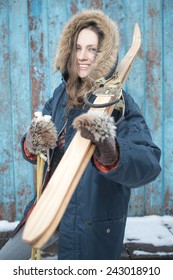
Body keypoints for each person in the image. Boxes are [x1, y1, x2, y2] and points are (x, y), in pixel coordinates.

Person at [0, 9, 161, 260]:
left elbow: (149, 164)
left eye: (92, 49)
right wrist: (32, 142)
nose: (83, 57)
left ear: (104, 54)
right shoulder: (60, 96)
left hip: (89, 222)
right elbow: (36, 147)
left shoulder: (119, 105)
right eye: (77, 48)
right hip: (47, 210)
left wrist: (112, 152)